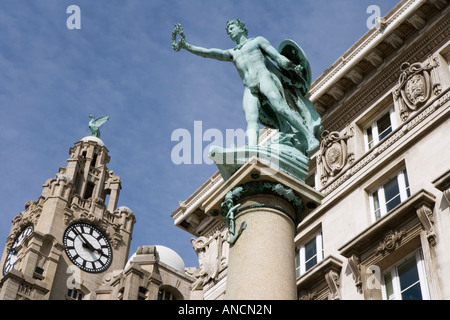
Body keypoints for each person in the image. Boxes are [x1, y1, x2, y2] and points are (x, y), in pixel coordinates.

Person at [175, 19, 319, 153]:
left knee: (281, 108)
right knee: (251, 119)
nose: (229, 31)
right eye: (228, 30)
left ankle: (309, 136)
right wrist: (187, 46)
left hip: (264, 78)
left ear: (241, 28)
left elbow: (277, 57)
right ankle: (252, 152)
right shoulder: (233, 53)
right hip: (249, 86)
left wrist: (293, 66)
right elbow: (209, 53)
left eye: (232, 27)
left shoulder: (257, 41)